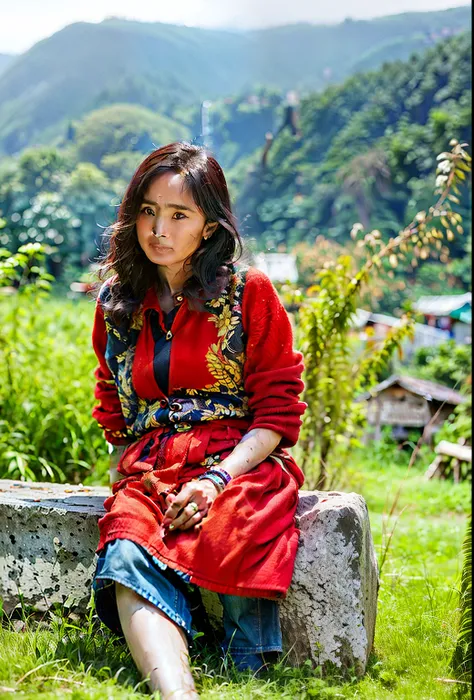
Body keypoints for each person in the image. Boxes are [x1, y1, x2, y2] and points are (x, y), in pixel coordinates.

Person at [90, 141, 307, 699]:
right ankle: (176, 693)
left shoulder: (247, 293)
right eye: (147, 211)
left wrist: (215, 479)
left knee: (235, 520)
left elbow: (278, 408)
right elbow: (113, 404)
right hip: (153, 465)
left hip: (236, 461)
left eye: (178, 215)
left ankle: (247, 667)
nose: (157, 229)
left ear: (210, 226)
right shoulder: (118, 302)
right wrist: (132, 470)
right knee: (126, 544)